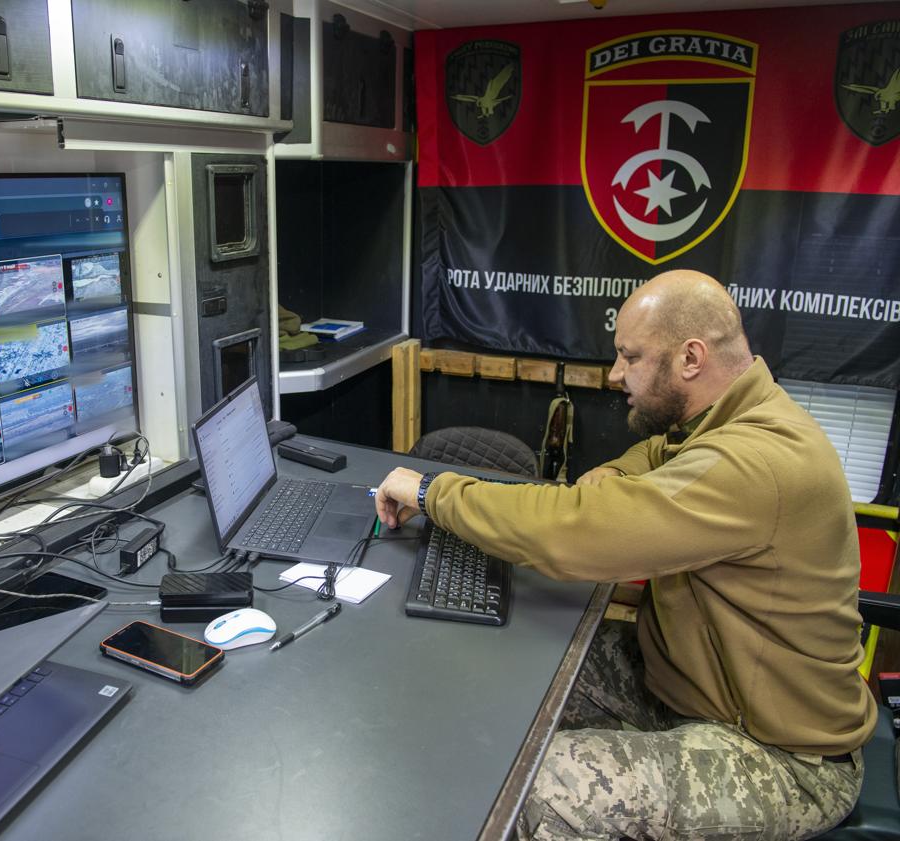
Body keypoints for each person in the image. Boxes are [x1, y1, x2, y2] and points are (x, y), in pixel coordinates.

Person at [374, 270, 876, 840]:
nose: (615, 375)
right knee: (505, 667)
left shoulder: (757, 460)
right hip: (691, 688)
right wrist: (608, 493)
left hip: (782, 756)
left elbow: (579, 534)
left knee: (548, 790)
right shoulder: (718, 420)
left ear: (691, 358)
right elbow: (638, 466)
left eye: (630, 357)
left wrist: (431, 492)